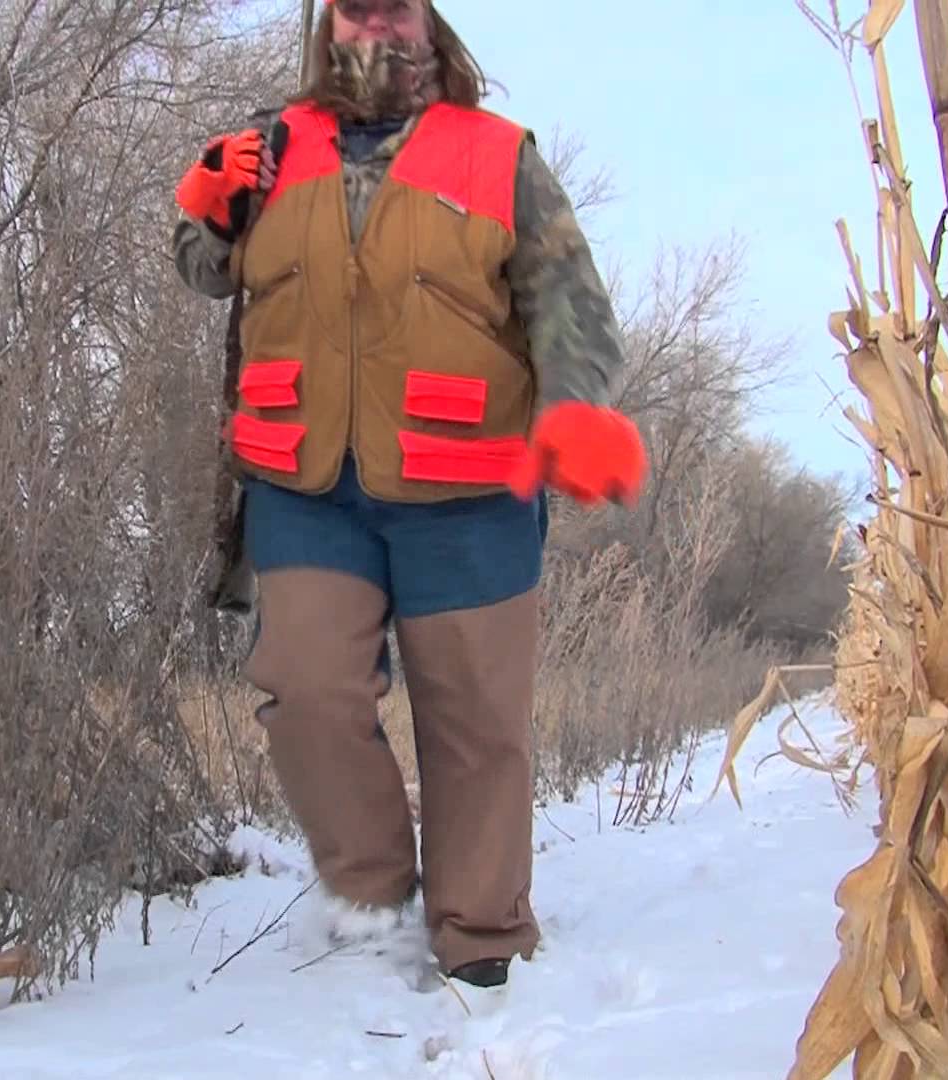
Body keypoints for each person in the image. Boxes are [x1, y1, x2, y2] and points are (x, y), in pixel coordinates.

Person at [169, 0, 646, 990]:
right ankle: (374, 900)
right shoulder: (269, 144)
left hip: (470, 484)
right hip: (305, 484)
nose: (375, 24)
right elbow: (204, 270)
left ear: (429, 24)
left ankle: (479, 942)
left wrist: (574, 406)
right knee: (305, 687)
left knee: (475, 724)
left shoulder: (497, 154)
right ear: (329, 25)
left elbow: (571, 301)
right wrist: (210, 209)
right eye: (356, 8)